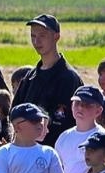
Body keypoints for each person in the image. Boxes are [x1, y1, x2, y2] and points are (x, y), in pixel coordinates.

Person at [15, 14, 83, 145]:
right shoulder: (29, 78)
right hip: (26, 149)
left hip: (56, 152)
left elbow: (65, 122)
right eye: (33, 36)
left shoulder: (69, 79)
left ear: (56, 37)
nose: (36, 41)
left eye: (42, 36)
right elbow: (15, 113)